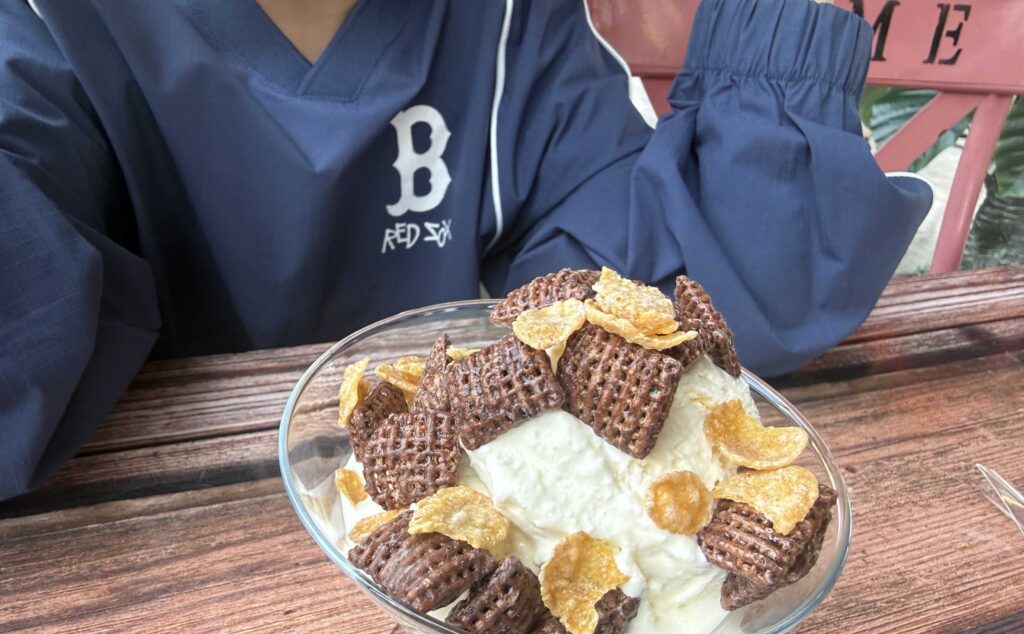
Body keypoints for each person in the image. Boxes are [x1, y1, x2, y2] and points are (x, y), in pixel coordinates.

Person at [0, 0, 931, 500]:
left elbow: (689, 306)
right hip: (148, 539)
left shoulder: (511, 24)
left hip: (474, 520)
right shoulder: (42, 28)